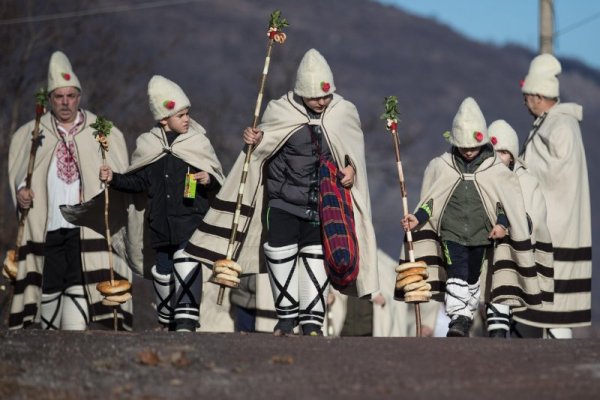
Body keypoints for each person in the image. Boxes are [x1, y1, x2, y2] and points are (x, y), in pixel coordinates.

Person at [184, 48, 379, 336]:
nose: (322, 102)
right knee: (279, 253)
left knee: (316, 257)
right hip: (282, 201)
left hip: (323, 203)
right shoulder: (280, 110)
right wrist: (256, 138)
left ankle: (312, 320)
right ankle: (286, 317)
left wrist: (350, 170)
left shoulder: (343, 111)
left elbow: (352, 154)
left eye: (326, 96)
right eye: (315, 97)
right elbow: (264, 144)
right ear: (301, 92)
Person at [8, 50, 133, 330]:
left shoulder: (103, 132)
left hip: (84, 227)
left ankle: (73, 341)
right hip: (48, 224)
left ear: (79, 96)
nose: (65, 103)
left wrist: (108, 179)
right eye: (59, 97)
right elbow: (20, 172)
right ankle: (49, 340)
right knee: (48, 283)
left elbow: (121, 176)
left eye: (71, 96)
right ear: (50, 100)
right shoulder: (32, 133)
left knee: (81, 281)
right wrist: (21, 191)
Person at [401, 97, 541, 338]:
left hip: (480, 235)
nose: (468, 151)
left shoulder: (494, 169)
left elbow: (502, 204)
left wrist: (501, 224)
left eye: (472, 147)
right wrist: (418, 217)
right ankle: (460, 318)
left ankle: (467, 312)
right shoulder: (443, 166)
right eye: (463, 146)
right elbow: (433, 200)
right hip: (451, 232)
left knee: (473, 277)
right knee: (456, 273)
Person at [99, 75, 225, 332]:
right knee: (163, 270)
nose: (187, 119)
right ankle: (168, 318)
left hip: (191, 220)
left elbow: (217, 179)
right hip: (160, 225)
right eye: (181, 115)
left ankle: (187, 321)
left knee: (186, 260)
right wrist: (114, 178)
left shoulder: (197, 142)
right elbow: (138, 182)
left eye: (188, 113)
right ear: (163, 119)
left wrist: (208, 179)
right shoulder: (148, 146)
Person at [519, 54, 592, 338]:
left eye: (526, 97)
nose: (524, 102)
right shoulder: (549, 123)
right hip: (549, 224)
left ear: (538, 96)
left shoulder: (561, 125)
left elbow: (559, 172)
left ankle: (560, 363)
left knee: (557, 303)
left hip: (558, 227)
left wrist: (521, 169)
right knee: (548, 304)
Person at [488, 119, 555, 338]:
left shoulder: (526, 181)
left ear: (512, 155)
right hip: (488, 250)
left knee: (506, 287)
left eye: (504, 152)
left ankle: (500, 329)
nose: (498, 157)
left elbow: (535, 215)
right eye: (493, 151)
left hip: (517, 249)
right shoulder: (483, 179)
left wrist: (514, 224)